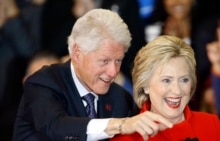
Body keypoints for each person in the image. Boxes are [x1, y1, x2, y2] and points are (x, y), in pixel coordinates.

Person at [12, 9, 173, 141]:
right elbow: (56, 127)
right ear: (77, 53)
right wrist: (120, 125)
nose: (113, 72)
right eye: (104, 61)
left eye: (118, 61)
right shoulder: (43, 83)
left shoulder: (120, 99)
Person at [110, 35, 220, 141]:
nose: (177, 90)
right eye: (166, 80)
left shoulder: (211, 125)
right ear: (145, 85)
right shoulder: (126, 138)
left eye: (184, 80)